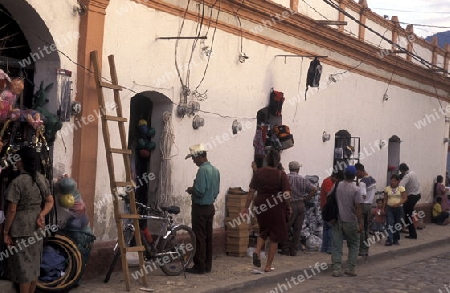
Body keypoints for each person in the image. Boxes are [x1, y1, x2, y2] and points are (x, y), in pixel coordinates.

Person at [3, 146, 54, 293]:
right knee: (33, 266)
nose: (16, 162)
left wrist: (6, 232)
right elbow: (50, 201)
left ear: (21, 161)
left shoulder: (17, 182)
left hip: (20, 228)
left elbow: (12, 209)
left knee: (23, 269)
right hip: (37, 228)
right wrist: (42, 214)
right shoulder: (41, 179)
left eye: (17, 159)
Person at [242, 149, 291, 273]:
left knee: (263, 230)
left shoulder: (258, 173)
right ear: (278, 161)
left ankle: (257, 251)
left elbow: (251, 192)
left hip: (260, 203)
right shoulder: (281, 174)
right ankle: (268, 266)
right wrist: (288, 206)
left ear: (266, 160)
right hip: (275, 205)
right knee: (274, 235)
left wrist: (246, 208)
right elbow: (286, 194)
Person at [185, 144, 220, 274]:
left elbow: (199, 191)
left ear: (200, 156)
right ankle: (207, 265)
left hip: (200, 207)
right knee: (208, 236)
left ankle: (199, 265)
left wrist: (191, 190)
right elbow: (216, 191)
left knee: (199, 237)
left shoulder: (202, 171)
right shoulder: (215, 170)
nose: (194, 161)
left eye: (194, 158)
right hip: (210, 207)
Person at [331, 165, 363, 277]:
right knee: (354, 244)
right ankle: (350, 267)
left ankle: (336, 268)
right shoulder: (356, 189)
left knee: (336, 245)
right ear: (354, 176)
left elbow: (329, 196)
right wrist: (360, 223)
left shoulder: (337, 185)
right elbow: (358, 207)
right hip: (351, 220)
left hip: (338, 219)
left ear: (344, 174)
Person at [281, 161, 317, 256]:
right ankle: (293, 250)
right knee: (297, 229)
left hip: (290, 204)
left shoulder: (286, 178)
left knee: (286, 227)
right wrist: (306, 198)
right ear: (298, 169)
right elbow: (314, 189)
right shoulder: (302, 179)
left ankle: (285, 248)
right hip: (301, 204)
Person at [355, 163, 376, 257]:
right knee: (367, 228)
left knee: (361, 228)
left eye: (356, 173)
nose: (356, 175)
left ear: (359, 171)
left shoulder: (363, 182)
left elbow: (362, 195)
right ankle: (366, 249)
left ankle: (362, 250)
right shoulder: (373, 179)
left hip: (363, 205)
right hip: (370, 205)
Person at [319, 171, 343, 254]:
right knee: (330, 229)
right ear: (334, 176)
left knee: (326, 229)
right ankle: (328, 248)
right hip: (328, 209)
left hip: (326, 208)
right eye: (337, 179)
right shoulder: (329, 182)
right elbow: (332, 196)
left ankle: (325, 248)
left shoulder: (329, 182)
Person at [383, 174, 407, 246]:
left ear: (398, 182)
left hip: (399, 208)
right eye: (392, 180)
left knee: (397, 223)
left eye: (394, 181)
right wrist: (383, 208)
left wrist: (398, 204)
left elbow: (405, 198)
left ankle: (395, 239)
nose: (392, 182)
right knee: (390, 223)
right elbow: (385, 199)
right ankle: (389, 239)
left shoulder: (401, 189)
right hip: (389, 208)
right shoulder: (387, 189)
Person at [399, 163, 421, 239]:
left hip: (412, 196)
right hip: (417, 195)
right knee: (409, 213)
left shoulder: (407, 176)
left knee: (406, 214)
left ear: (402, 170)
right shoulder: (413, 173)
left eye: (401, 171)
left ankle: (412, 233)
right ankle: (412, 232)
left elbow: (401, 186)